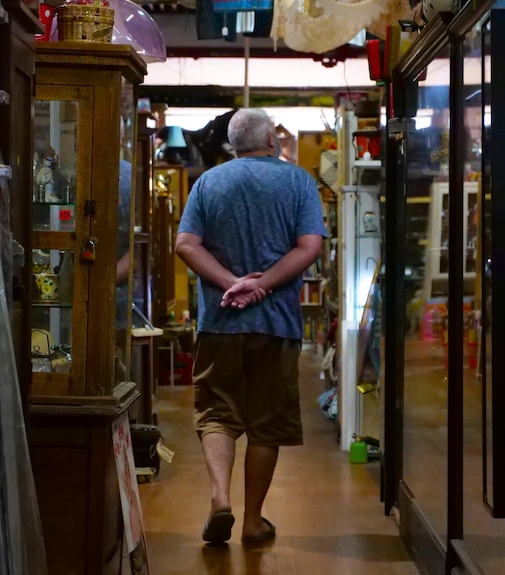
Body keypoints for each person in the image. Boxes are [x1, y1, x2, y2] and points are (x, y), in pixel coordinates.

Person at [175, 108, 326, 544]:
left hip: (219, 322)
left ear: (231, 145)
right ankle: (254, 520)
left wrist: (230, 284)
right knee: (266, 423)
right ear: (273, 141)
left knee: (217, 413)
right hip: (276, 326)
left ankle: (220, 497)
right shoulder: (297, 181)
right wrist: (262, 286)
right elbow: (309, 246)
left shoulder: (209, 182)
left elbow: (185, 244)